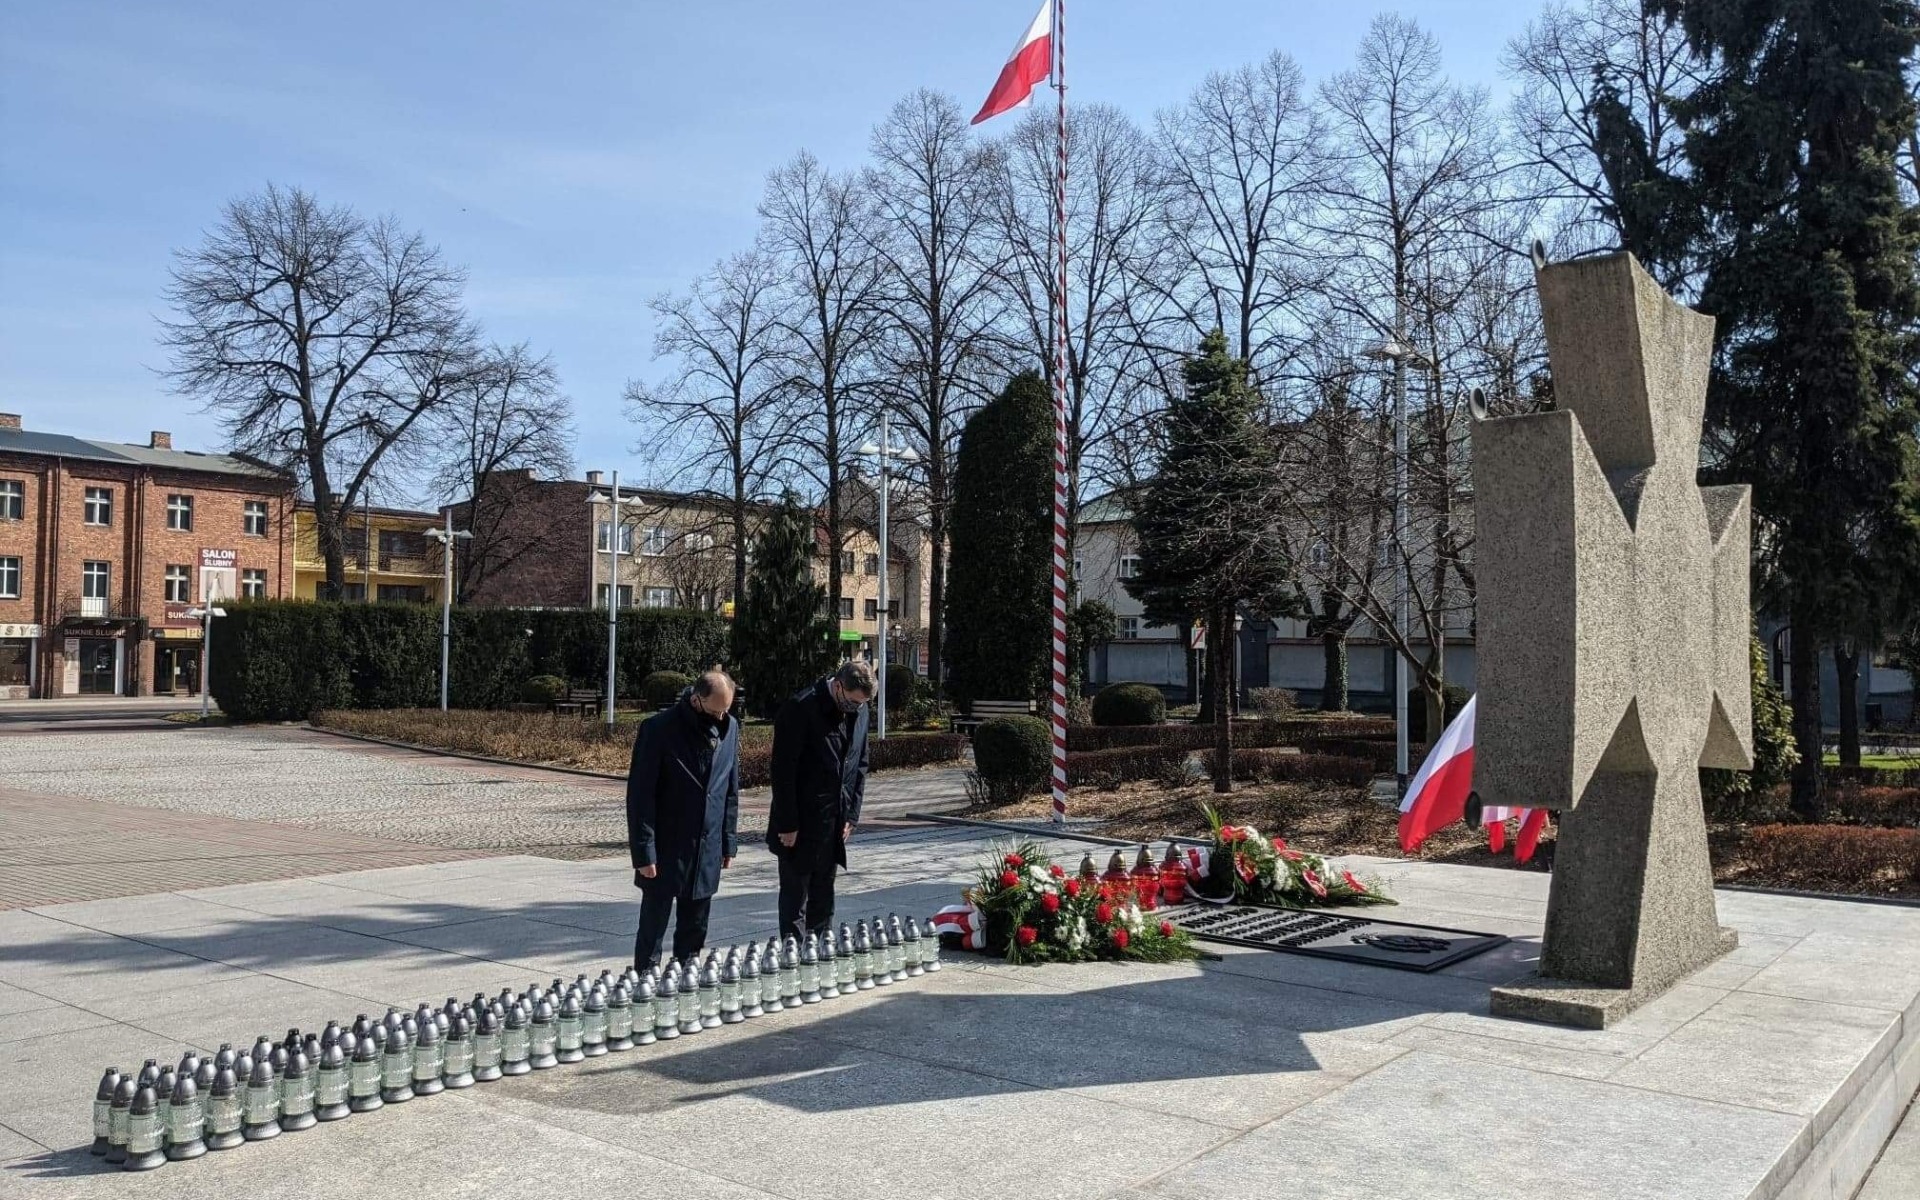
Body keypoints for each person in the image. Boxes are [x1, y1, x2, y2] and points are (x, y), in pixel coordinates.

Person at [626, 669, 740, 970]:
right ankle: (645, 980)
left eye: (727, 709)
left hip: (708, 845)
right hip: (666, 845)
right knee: (653, 927)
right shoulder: (658, 729)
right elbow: (640, 796)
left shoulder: (730, 726)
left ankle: (686, 975)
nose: (721, 716)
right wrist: (644, 852)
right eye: (716, 710)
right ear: (695, 700)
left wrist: (728, 842)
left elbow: (729, 789)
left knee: (695, 926)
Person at [767, 660, 874, 939]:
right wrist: (787, 824)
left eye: (861, 705)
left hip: (835, 819)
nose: (855, 709)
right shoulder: (800, 708)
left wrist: (851, 815)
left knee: (824, 895)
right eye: (852, 703)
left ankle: (817, 955)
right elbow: (783, 772)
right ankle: (793, 958)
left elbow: (859, 765)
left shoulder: (860, 710)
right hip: (800, 822)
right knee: (795, 899)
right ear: (838, 686)